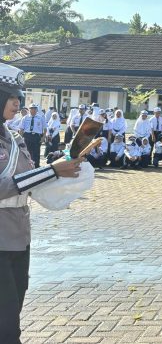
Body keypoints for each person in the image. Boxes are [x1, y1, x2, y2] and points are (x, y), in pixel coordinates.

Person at [0, 62, 83, 344]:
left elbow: (29, 178)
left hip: (18, 235)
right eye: (10, 97)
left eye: (18, 98)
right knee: (5, 317)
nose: (17, 104)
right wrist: (52, 171)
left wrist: (64, 167)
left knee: (14, 307)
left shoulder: (14, 138)